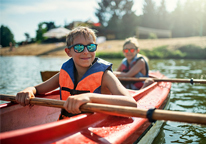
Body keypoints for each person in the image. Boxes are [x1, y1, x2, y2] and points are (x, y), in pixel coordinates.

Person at [16, 26, 137, 120]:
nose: (85, 52)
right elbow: (37, 89)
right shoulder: (64, 73)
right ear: (68, 52)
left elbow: (131, 104)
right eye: (79, 47)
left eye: (90, 47)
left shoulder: (105, 75)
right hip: (68, 124)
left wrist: (88, 97)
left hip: (96, 125)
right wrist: (29, 90)